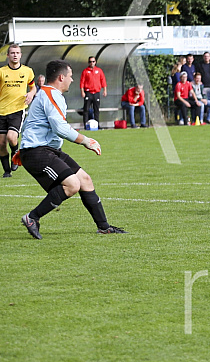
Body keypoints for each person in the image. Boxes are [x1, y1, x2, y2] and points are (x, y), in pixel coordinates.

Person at [17, 59, 126, 239]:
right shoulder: (50, 95)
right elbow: (59, 128)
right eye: (70, 76)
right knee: (72, 184)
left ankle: (104, 227)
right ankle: (32, 217)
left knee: (84, 179)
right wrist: (86, 141)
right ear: (61, 77)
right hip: (36, 152)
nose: (72, 80)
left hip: (48, 150)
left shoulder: (50, 94)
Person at [0, 44, 36, 177]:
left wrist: (31, 94)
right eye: (12, 53)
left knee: (11, 136)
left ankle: (16, 156)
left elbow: (33, 88)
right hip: (1, 111)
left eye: (17, 53)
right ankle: (7, 171)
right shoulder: (2, 72)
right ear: (8, 55)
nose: (15, 55)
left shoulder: (27, 71)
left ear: (20, 55)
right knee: (1, 144)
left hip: (17, 110)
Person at [79, 56, 107, 128]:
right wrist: (82, 91)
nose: (92, 63)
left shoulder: (99, 70)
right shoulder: (85, 71)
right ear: (88, 62)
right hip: (88, 92)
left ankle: (97, 124)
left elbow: (103, 80)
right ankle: (86, 124)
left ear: (95, 62)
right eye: (90, 61)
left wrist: (104, 90)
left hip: (96, 93)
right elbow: (82, 82)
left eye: (93, 61)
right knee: (86, 109)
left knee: (96, 109)